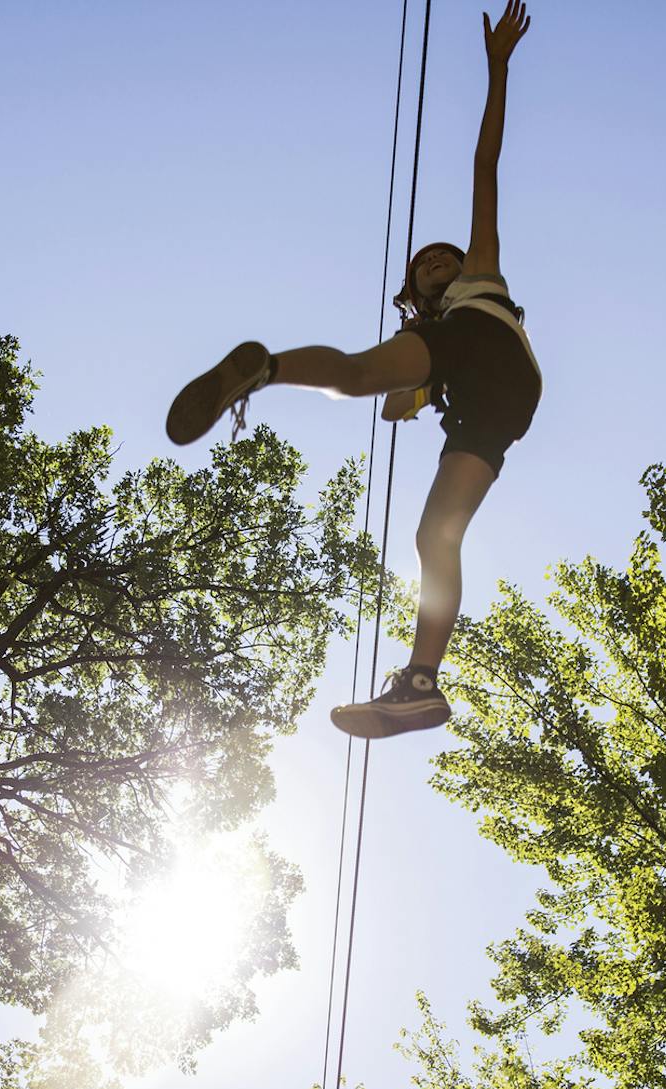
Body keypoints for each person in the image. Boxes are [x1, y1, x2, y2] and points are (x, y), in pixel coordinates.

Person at [165, 1, 539, 740]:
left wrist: (497, 69)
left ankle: (264, 369)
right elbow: (398, 404)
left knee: (359, 372)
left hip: (487, 348)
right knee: (434, 538)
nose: (438, 263)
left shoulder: (479, 278)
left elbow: (485, 165)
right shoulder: (428, 338)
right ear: (415, 291)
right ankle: (421, 684)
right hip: (495, 408)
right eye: (425, 266)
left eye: (445, 256)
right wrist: (415, 392)